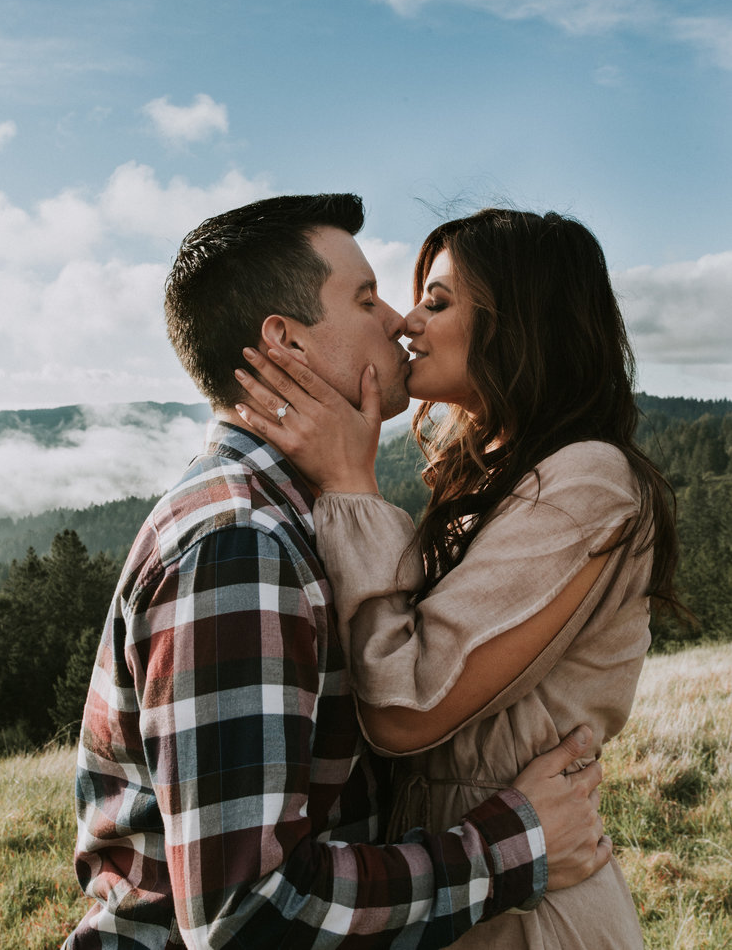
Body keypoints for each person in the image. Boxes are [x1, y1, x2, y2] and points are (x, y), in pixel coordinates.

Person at [64, 195, 611, 950]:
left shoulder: (291, 518)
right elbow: (249, 918)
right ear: (284, 341)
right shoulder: (240, 544)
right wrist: (514, 845)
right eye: (365, 297)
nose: (396, 319)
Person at [235, 206, 680, 949]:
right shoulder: (506, 479)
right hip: (461, 886)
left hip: (532, 916)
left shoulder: (587, 483)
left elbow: (408, 708)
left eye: (437, 301)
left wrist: (352, 482)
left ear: (521, 322)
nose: (407, 321)